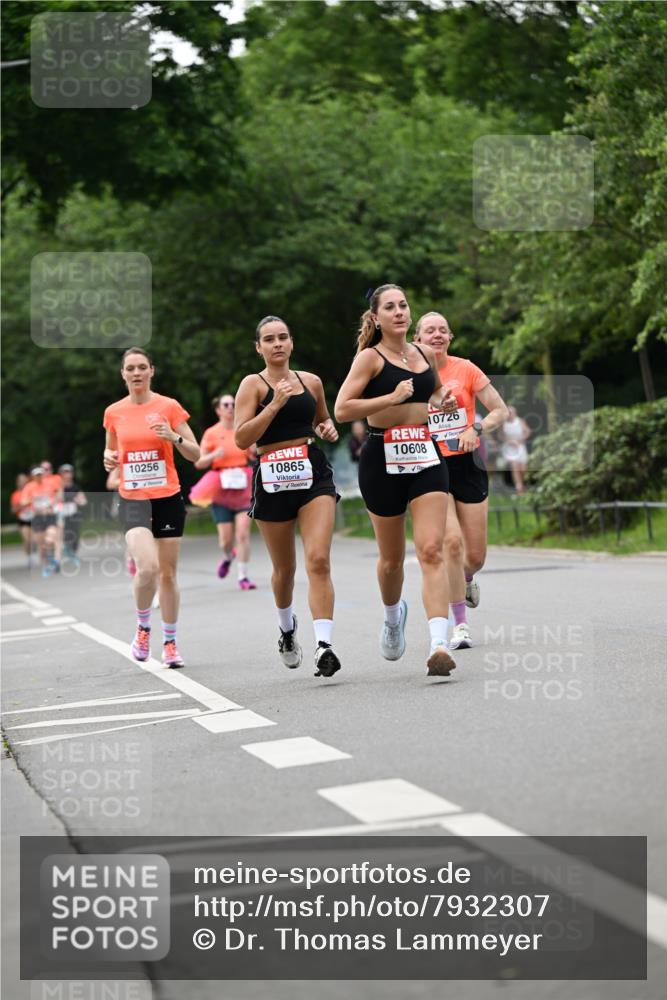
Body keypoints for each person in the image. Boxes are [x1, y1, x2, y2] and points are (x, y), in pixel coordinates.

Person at [334, 284, 458, 677]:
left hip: (424, 454)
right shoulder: (369, 359)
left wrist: (443, 401)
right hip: (381, 458)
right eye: (390, 307)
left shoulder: (423, 353)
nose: (400, 312)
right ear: (376, 317)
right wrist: (390, 398)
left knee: (431, 550)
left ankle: (439, 643)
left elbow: (435, 393)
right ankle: (393, 616)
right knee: (391, 561)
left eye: (404, 305)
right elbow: (342, 409)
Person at [234, 316, 341, 678]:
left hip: (312, 471)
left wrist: (327, 429)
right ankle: (286, 630)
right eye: (269, 339)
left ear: (291, 343)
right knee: (285, 570)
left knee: (319, 560)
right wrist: (274, 405)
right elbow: (242, 438)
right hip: (273, 475)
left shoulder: (310, 381)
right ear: (259, 347)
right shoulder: (253, 384)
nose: (277, 344)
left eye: (283, 337)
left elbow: (324, 421)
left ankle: (324, 644)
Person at [414, 312, 508, 649]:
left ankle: (466, 579)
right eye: (429, 330)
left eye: (442, 330)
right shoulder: (410, 375)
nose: (436, 335)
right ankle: (461, 625)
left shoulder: (465, 369)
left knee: (475, 556)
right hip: (429, 465)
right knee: (451, 544)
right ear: (417, 339)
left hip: (467, 464)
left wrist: (476, 428)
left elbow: (500, 410)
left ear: (449, 337)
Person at [103, 347, 200, 668]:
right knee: (148, 567)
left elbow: (195, 453)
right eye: (130, 368)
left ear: (151, 371)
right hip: (132, 499)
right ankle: (143, 628)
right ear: (123, 374)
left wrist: (173, 437)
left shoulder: (169, 407)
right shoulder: (114, 412)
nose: (136, 373)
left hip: (168, 497)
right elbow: (111, 454)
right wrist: (109, 461)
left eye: (142, 367)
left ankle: (170, 643)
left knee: (169, 574)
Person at [194, 393, 256, 589]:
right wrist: (213, 454)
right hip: (220, 486)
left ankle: (243, 576)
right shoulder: (211, 433)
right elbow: (199, 462)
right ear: (218, 410)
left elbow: (254, 453)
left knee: (243, 534)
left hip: (243, 484)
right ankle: (228, 556)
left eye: (233, 404)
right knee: (225, 540)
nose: (230, 408)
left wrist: (254, 447)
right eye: (226, 405)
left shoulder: (242, 429)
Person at [21, 466, 62, 576]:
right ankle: (46, 565)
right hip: (37, 517)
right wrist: (32, 499)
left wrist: (53, 503)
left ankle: (57, 560)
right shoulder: (29, 487)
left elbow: (58, 493)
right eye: (37, 475)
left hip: (49, 515)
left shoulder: (49, 483)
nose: (39, 477)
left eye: (40, 474)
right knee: (41, 543)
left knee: (52, 537)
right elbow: (22, 502)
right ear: (33, 477)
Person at [57, 464, 87, 564]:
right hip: (62, 514)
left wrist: (79, 500)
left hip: (73, 514)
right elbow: (58, 498)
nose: (67, 475)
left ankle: (73, 552)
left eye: (69, 472)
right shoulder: (58, 487)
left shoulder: (76, 487)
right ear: (60, 474)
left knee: (75, 535)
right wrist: (61, 487)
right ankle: (68, 552)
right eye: (64, 473)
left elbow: (83, 501)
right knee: (65, 534)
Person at [501, 405, 531, 496]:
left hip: (520, 447)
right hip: (510, 449)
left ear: (515, 413)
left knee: (523, 469)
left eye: (511, 413)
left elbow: (527, 432)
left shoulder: (520, 421)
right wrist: (509, 441)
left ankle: (522, 485)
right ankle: (519, 490)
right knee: (515, 468)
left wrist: (519, 440)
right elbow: (501, 436)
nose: (510, 414)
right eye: (508, 413)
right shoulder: (504, 424)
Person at [11, 473, 32, 562]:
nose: (23, 482)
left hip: (33, 517)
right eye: (21, 481)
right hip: (22, 519)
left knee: (35, 539)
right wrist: (21, 505)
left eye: (25, 480)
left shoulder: (31, 491)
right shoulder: (15, 495)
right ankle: (29, 557)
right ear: (18, 483)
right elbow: (13, 510)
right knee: (26, 539)